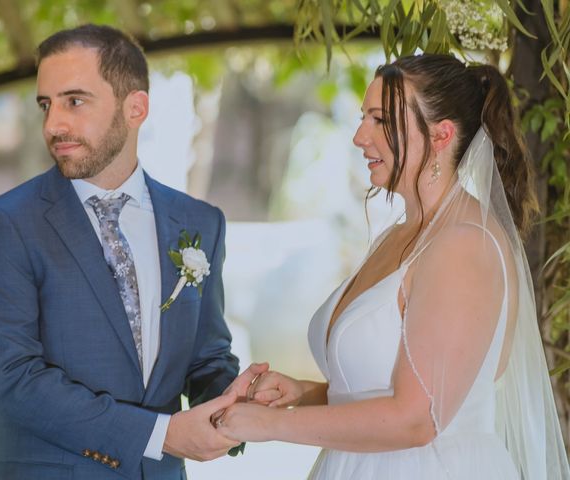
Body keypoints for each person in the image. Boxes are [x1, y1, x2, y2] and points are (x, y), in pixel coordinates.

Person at [214, 54, 570, 479]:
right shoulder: (402, 233)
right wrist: (305, 394)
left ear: (441, 136)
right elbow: (385, 386)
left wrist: (273, 425)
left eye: (381, 121)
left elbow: (418, 419)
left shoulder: (463, 244)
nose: (360, 137)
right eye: (363, 117)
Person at [0, 24, 265, 480]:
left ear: (135, 107)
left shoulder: (200, 223)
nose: (53, 124)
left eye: (74, 101)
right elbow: (15, 380)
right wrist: (161, 435)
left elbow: (206, 357)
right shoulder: (4, 224)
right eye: (46, 104)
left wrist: (234, 405)